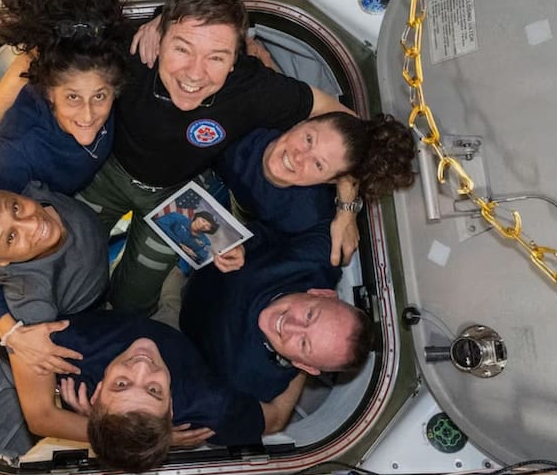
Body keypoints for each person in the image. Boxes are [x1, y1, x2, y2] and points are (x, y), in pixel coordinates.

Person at [0, 0, 356, 315]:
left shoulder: (254, 90)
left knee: (135, 300)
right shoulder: (132, 54)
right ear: (160, 36)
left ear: (236, 60)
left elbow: (349, 126)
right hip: (105, 174)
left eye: (216, 57)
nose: (195, 74)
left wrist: (346, 208)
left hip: (177, 193)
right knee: (68, 266)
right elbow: (37, 57)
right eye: (182, 48)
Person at [0, 0, 131, 374]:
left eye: (99, 98)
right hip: (65, 196)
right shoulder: (13, 157)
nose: (87, 114)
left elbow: (34, 60)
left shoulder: (101, 65)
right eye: (71, 98)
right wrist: (7, 328)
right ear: (47, 92)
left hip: (84, 189)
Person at [7, 310, 306, 473]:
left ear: (96, 396)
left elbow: (39, 418)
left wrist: (107, 426)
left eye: (121, 384)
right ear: (173, 410)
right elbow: (277, 417)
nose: (141, 365)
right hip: (178, 325)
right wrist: (305, 355)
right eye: (154, 389)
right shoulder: (208, 406)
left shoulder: (64, 347)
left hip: (112, 313)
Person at [181, 223, 372, 404]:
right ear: (322, 293)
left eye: (303, 344)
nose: (289, 325)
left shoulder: (248, 382)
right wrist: (241, 244)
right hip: (200, 246)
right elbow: (276, 223)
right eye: (309, 315)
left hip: (176, 317)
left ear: (304, 366)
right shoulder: (317, 258)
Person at [0, 182, 108, 375]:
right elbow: (36, 403)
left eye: (15, 208)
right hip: (93, 304)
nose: (33, 224)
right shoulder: (30, 299)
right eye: (11, 237)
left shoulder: (31, 188)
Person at [217, 112, 417, 255]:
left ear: (330, 181)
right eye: (309, 139)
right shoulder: (256, 116)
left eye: (318, 164)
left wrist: (243, 248)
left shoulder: (304, 215)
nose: (298, 157)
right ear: (301, 121)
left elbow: (268, 237)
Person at [153, 210, 218, 265]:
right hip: (157, 246)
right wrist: (180, 244)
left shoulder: (205, 241)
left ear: (210, 230)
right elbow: (160, 224)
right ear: (197, 217)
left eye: (208, 226)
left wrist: (191, 254)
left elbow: (201, 258)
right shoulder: (177, 217)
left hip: (174, 263)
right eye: (203, 220)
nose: (203, 225)